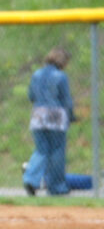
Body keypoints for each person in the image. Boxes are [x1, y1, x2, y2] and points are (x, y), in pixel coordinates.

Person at [22, 47, 76, 196]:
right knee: (57, 152)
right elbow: (66, 101)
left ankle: (31, 179)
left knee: (41, 150)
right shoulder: (61, 76)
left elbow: (31, 96)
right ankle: (56, 186)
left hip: (38, 116)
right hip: (56, 118)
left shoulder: (36, 74)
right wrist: (71, 116)